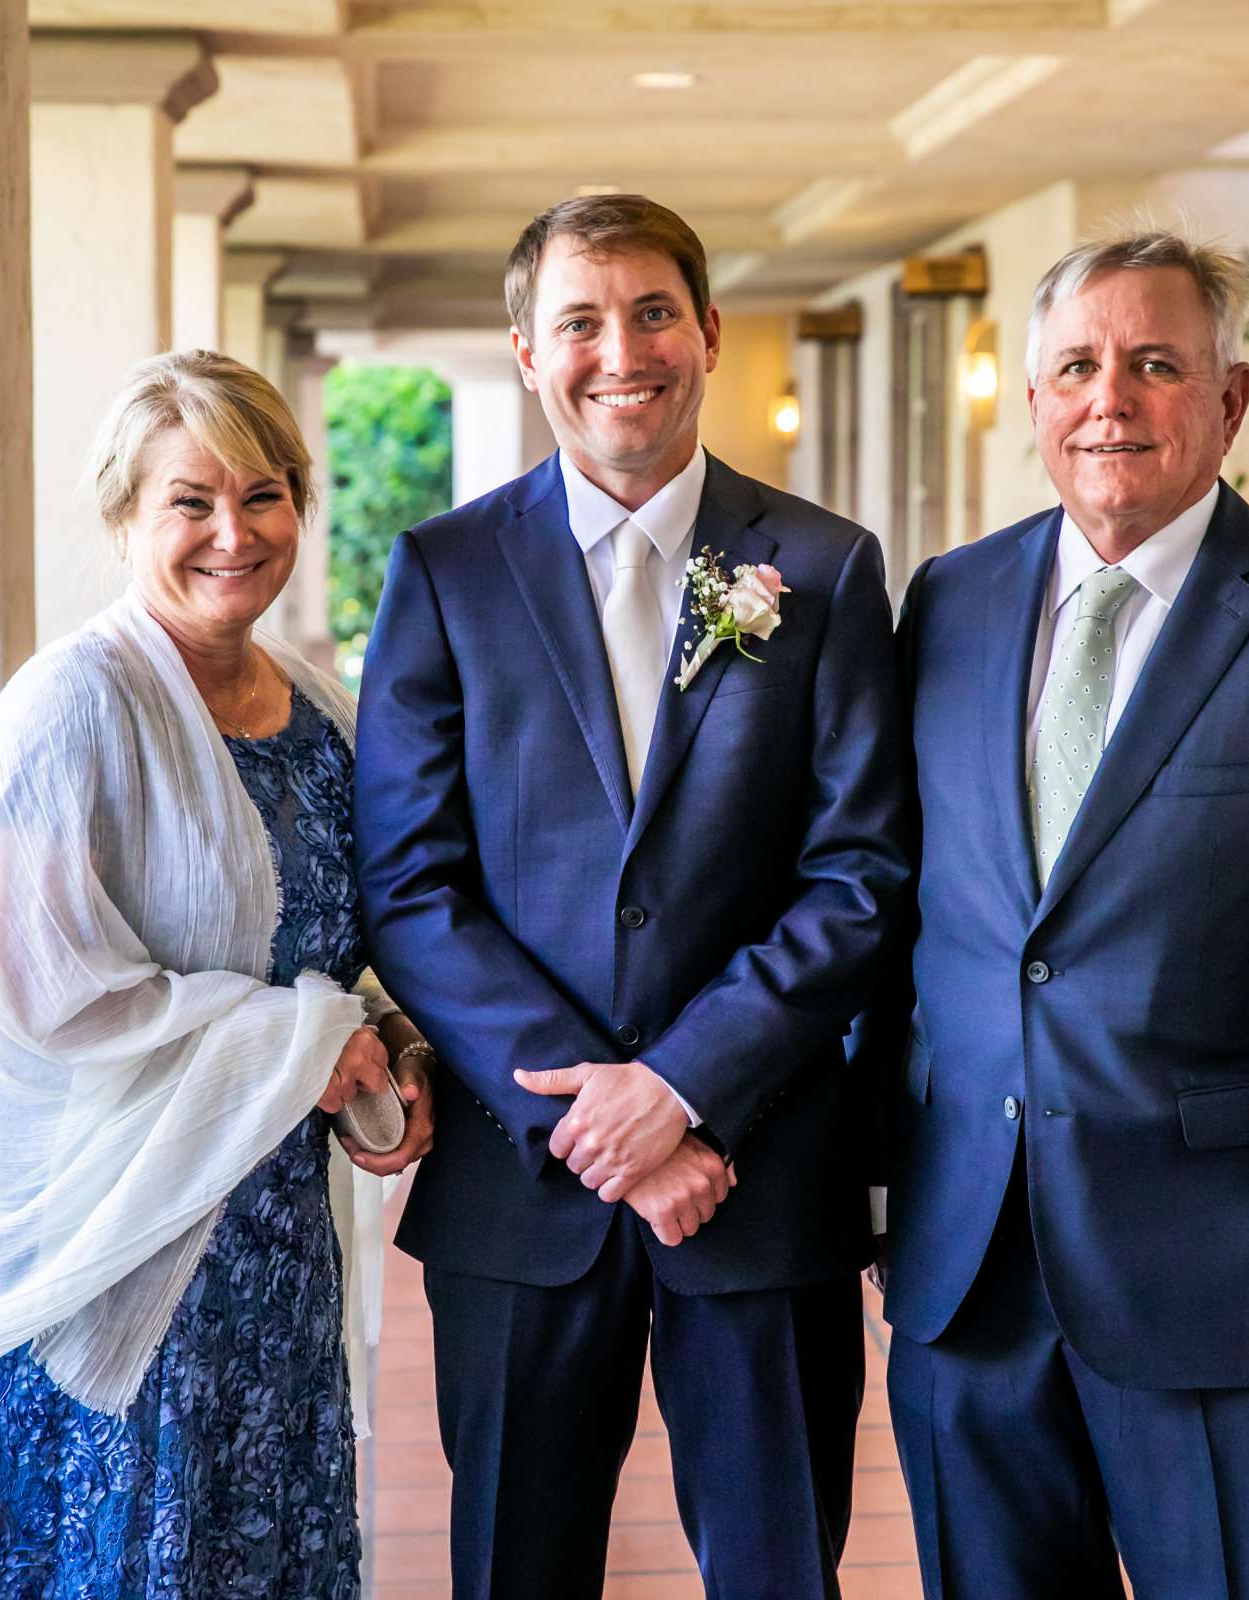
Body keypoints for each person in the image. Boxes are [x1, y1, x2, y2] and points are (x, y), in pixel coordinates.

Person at [876, 229, 1249, 1599]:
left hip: (1225, 1288)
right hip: (970, 1277)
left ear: (1230, 401)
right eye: (1077, 367)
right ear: (1032, 405)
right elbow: (910, 915)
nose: (1111, 400)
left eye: (1154, 365)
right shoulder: (949, 604)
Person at [352, 194, 913, 1599]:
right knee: (512, 1572)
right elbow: (412, 885)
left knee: (782, 1572)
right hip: (520, 1186)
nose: (624, 351)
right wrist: (605, 1123)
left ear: (710, 334)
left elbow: (860, 878)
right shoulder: (445, 572)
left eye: (654, 311)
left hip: (761, 1168)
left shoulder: (824, 567)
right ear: (531, 355)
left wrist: (684, 1088)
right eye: (582, 321)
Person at [0, 350, 434, 1599]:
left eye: (264, 493)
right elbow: (39, 992)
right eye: (191, 500)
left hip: (272, 1263)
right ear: (125, 513)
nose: (232, 533)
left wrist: (391, 1049)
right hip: (109, 1263)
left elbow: (353, 951)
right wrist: (303, 1044)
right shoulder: (70, 707)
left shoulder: (321, 708)